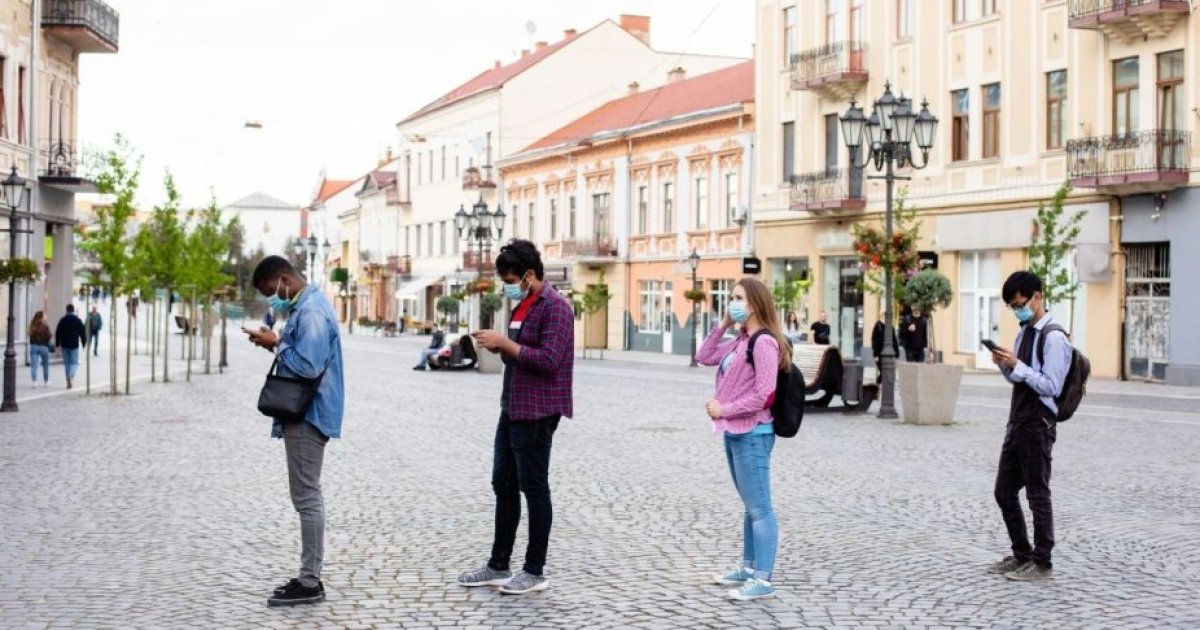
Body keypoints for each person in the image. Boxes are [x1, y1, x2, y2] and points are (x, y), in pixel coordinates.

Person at [458, 239, 574, 596]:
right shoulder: (523, 304)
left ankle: (535, 570)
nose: (506, 285)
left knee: (534, 487)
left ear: (528, 274)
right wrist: (498, 345)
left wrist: (506, 346)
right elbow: (519, 356)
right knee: (503, 483)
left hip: (539, 410)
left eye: (510, 278)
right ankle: (498, 564)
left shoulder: (556, 307)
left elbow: (550, 359)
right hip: (512, 406)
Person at [243, 255, 345, 607]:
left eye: (272, 290)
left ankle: (310, 581)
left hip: (309, 414)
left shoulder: (312, 311)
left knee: (306, 497)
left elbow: (308, 364)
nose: (273, 297)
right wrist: (274, 342)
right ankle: (308, 576)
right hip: (304, 412)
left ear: (284, 278)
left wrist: (276, 343)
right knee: (306, 495)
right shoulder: (305, 307)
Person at [696, 277, 790, 601]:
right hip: (735, 431)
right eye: (731, 298)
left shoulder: (763, 342)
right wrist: (723, 324)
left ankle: (763, 578)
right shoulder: (742, 339)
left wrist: (725, 409)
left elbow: (765, 394)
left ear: (754, 302)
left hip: (753, 433)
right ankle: (749, 568)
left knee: (760, 508)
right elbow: (704, 355)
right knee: (750, 507)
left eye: (737, 298)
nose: (732, 303)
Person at [986, 271, 1071, 582]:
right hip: (1018, 420)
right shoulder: (1023, 333)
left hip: (1038, 423)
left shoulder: (1055, 338)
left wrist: (1018, 367)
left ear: (1037, 297)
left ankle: (1041, 561)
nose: (1017, 310)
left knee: (1037, 494)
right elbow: (1018, 378)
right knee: (1003, 491)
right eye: (1012, 306)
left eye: (1019, 304)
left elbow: (1052, 386)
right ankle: (1021, 553)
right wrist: (1005, 366)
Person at [53, 304, 86, 389]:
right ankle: (71, 375)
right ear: (73, 310)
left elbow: (58, 332)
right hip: (74, 345)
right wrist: (83, 342)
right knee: (74, 362)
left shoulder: (62, 320)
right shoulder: (77, 320)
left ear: (66, 310)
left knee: (67, 364)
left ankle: (68, 381)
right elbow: (82, 332)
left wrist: (57, 344)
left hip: (64, 345)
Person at [871, 318, 900, 384]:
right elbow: (875, 340)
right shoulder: (878, 326)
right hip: (880, 354)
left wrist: (896, 354)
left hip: (890, 354)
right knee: (884, 372)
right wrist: (876, 355)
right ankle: (878, 383)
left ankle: (880, 385)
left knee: (887, 372)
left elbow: (894, 341)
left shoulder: (890, 327)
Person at [28, 311, 53, 388]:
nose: (46, 316)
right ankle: (46, 381)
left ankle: (34, 382)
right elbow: (49, 335)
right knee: (45, 365)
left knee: (34, 365)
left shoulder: (32, 325)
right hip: (43, 347)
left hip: (34, 346)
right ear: (41, 317)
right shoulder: (45, 326)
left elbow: (30, 335)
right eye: (44, 315)